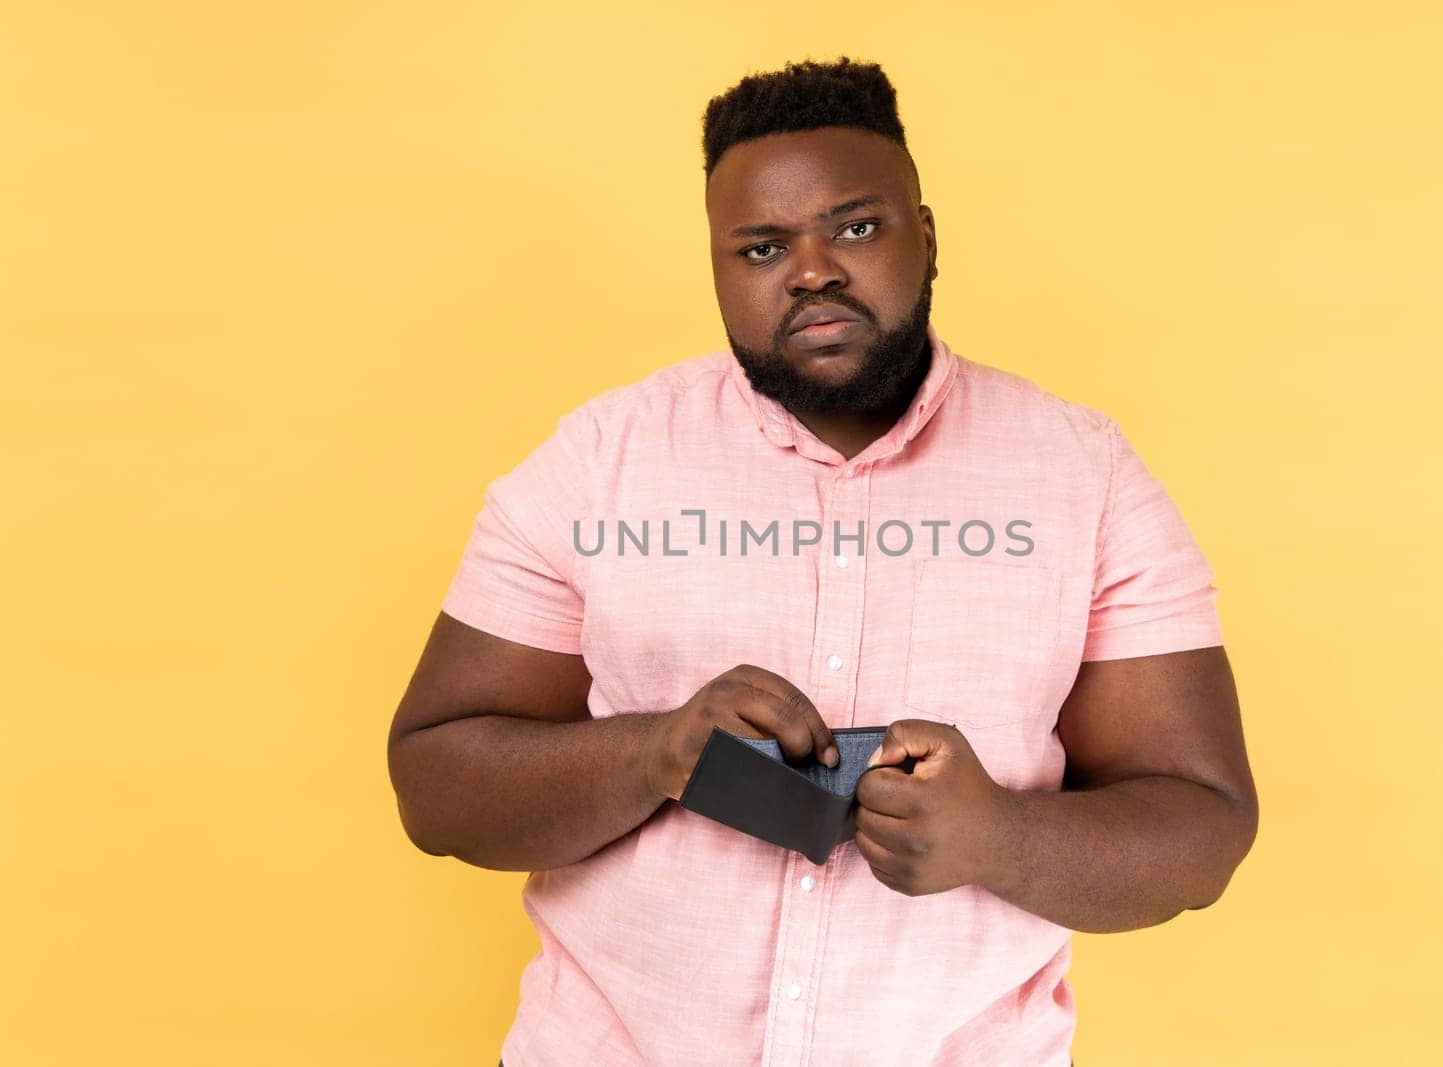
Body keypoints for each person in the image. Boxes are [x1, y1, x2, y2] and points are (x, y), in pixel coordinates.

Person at [387, 56, 1257, 1067]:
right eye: (761, 246)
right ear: (717, 267)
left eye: (853, 226)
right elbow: (434, 785)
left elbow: (1201, 827)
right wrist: (656, 753)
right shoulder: (595, 463)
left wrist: (1000, 839)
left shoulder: (1086, 477)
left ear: (923, 234)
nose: (811, 270)